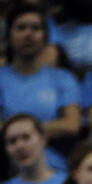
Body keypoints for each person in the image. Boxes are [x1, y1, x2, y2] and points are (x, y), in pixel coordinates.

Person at [0, 3, 81, 146]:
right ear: (8, 36)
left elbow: (72, 125)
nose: (28, 34)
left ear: (45, 36)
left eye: (35, 28)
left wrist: (21, 130)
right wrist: (49, 127)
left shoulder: (63, 78)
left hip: (54, 162)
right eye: (21, 28)